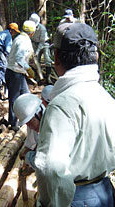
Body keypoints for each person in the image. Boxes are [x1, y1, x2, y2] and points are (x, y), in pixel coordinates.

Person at [35, 23, 115, 207]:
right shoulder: (105, 97)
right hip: (104, 192)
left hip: (75, 198)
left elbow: (52, 169)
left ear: (56, 57)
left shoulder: (61, 106)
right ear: (95, 57)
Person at [5, 20, 36, 131]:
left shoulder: (19, 38)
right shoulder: (23, 41)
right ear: (32, 32)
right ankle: (13, 123)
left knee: (26, 95)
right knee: (14, 98)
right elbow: (19, 59)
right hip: (15, 73)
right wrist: (28, 68)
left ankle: (29, 118)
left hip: (17, 72)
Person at [13, 85, 53, 169]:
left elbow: (46, 164)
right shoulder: (33, 123)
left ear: (39, 113)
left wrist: (28, 156)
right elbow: (30, 144)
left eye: (30, 122)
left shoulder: (53, 126)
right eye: (27, 123)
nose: (29, 126)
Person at [0, 23, 20, 100]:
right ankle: (7, 95)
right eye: (14, 32)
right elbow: (8, 50)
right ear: (11, 30)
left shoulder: (1, 33)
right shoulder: (8, 35)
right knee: (4, 74)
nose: (14, 34)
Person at [29, 13, 53, 81]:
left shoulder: (42, 29)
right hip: (34, 43)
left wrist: (37, 51)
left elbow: (42, 42)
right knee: (36, 60)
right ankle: (37, 77)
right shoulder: (30, 28)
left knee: (47, 59)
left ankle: (48, 77)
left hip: (44, 43)